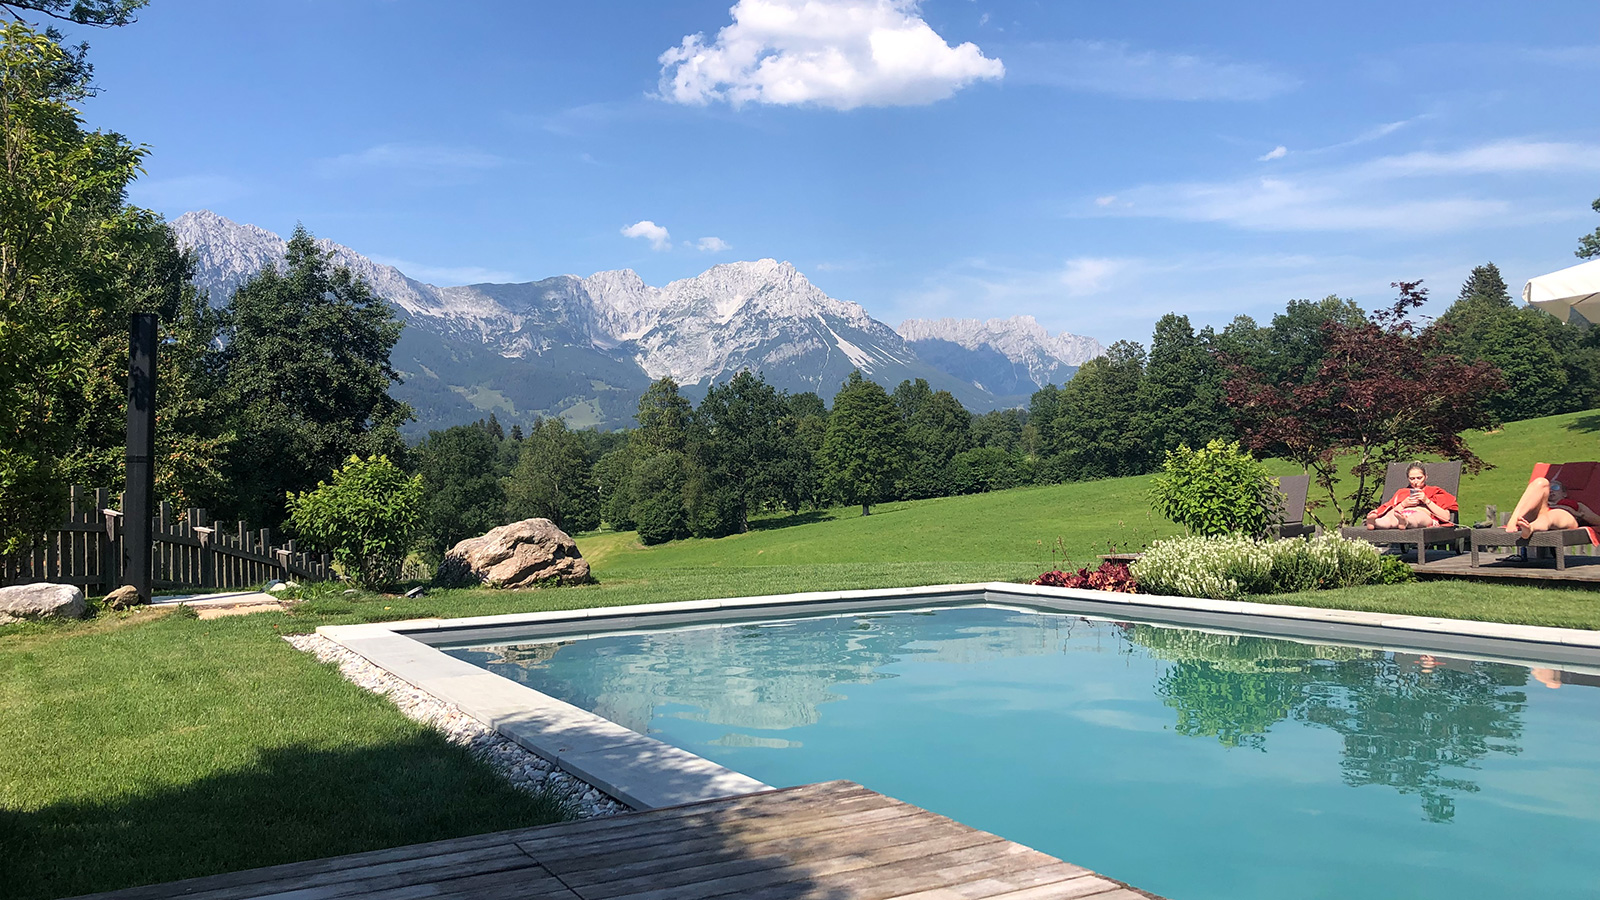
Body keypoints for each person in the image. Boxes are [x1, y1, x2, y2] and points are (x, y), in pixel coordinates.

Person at [1364, 463, 1457, 530]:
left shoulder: (1435, 491)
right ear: (1408, 479)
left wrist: (1426, 501)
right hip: (1401, 514)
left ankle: (1406, 522)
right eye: (1412, 479)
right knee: (1389, 519)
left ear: (1426, 477)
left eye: (1419, 478)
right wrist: (1404, 504)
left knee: (1416, 517)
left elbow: (1446, 517)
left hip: (1423, 515)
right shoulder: (1402, 492)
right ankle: (1374, 523)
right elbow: (1389, 507)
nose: (1415, 481)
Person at [1504, 476, 1600, 539]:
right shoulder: (1539, 503)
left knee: (1550, 515)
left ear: (1564, 493)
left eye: (1555, 488)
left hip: (1563, 515)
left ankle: (1530, 529)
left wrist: (1578, 514)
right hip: (1541, 513)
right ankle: (1513, 520)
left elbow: (1597, 520)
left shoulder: (1576, 505)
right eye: (1549, 488)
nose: (1551, 491)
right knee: (1541, 481)